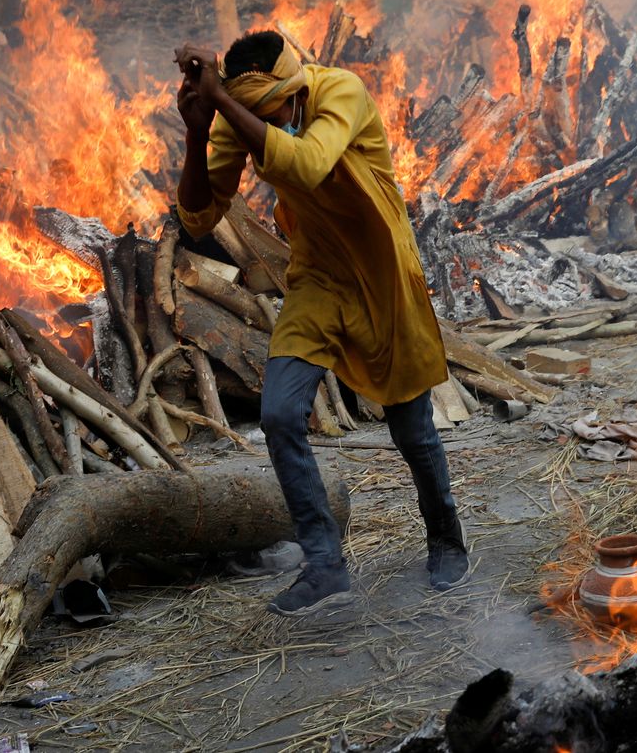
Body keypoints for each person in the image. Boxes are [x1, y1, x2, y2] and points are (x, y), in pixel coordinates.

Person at [172, 31, 469, 616]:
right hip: (318, 278)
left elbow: (307, 165)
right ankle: (325, 565)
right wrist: (198, 128)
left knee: (411, 428)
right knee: (280, 413)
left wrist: (227, 103)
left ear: (292, 89)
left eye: (270, 111)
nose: (262, 123)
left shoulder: (341, 91)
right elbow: (201, 215)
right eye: (249, 111)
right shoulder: (240, 116)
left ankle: (445, 538)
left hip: (382, 272)